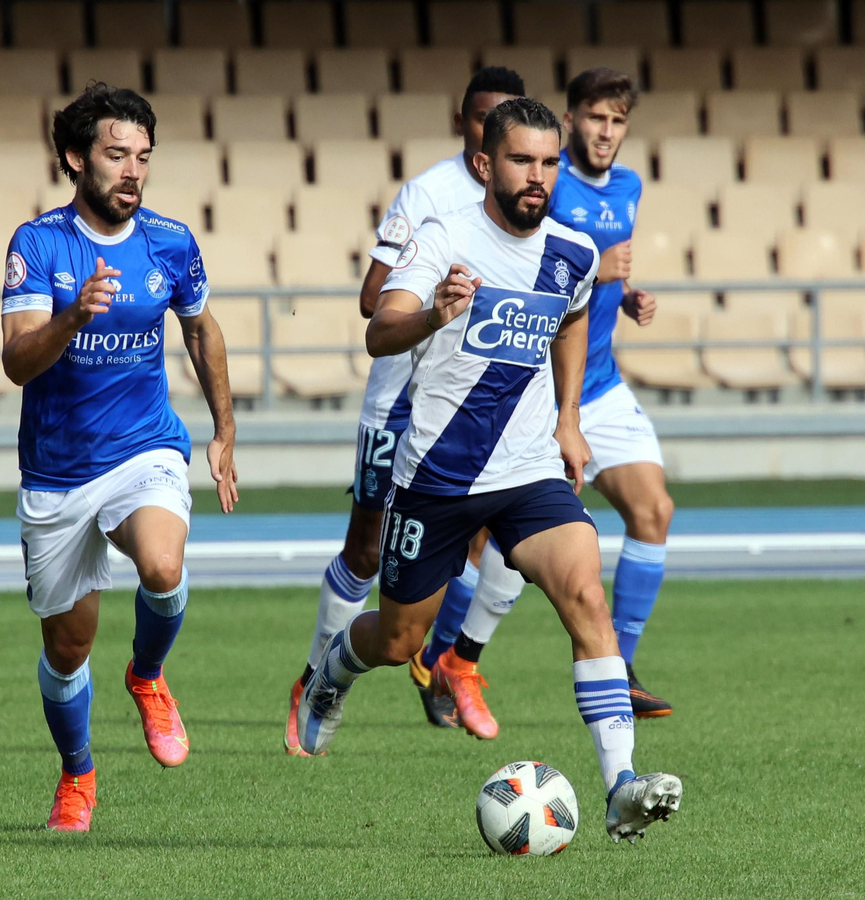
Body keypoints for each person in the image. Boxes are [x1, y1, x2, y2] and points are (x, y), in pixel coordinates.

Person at [296, 98, 682, 843]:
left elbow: (572, 318)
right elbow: (380, 330)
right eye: (520, 161)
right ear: (484, 165)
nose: (537, 177)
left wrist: (569, 418)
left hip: (530, 469)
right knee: (401, 641)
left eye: (546, 163)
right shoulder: (446, 237)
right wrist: (433, 316)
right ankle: (332, 673)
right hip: (436, 476)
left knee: (583, 595)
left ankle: (620, 786)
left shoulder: (571, 249)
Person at [0, 85, 239, 832]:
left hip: (145, 448)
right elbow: (17, 363)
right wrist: (73, 316)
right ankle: (78, 775)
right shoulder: (37, 245)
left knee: (163, 565)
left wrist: (224, 430)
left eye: (142, 156)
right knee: (69, 651)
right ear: (76, 159)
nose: (133, 171)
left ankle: (148, 675)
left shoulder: (169, 241)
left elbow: (202, 332)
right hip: (57, 471)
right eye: (115, 155)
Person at [285, 67, 528, 753]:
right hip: (400, 401)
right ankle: (313, 678)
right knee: (366, 548)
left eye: (508, 118)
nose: (494, 131)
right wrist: (440, 297)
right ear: (465, 123)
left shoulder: (530, 201)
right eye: (484, 118)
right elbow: (373, 297)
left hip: (477, 402)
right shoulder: (430, 193)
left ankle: (442, 660)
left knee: (490, 535)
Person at [428, 69, 676, 725]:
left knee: (652, 511)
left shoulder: (629, 187)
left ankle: (617, 666)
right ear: (570, 121)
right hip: (533, 386)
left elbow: (591, 281)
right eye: (595, 117)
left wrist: (627, 294)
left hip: (600, 381)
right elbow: (538, 261)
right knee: (489, 544)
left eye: (618, 120)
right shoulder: (541, 180)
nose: (606, 131)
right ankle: (445, 658)